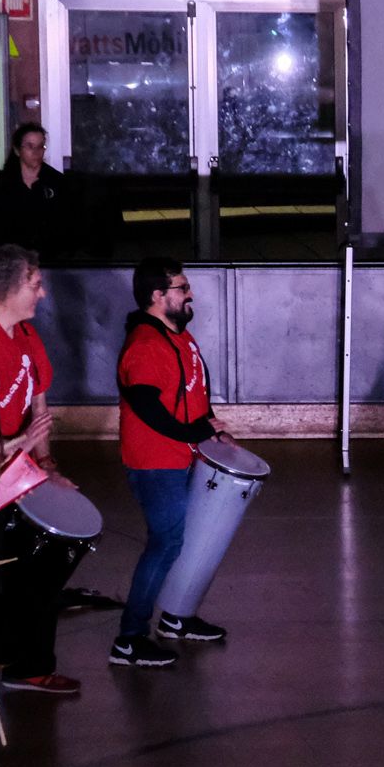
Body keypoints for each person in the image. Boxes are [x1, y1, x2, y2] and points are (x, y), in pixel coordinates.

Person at [0, 245, 81, 695]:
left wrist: (45, 463)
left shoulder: (26, 335)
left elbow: (39, 401)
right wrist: (12, 447)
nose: (43, 293)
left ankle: (28, 663)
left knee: (42, 565)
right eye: (35, 284)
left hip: (18, 475)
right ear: (8, 287)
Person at [111, 258, 229, 668]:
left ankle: (176, 619)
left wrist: (209, 429)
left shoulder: (179, 336)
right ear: (157, 296)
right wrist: (192, 434)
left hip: (181, 456)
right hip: (155, 462)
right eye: (182, 287)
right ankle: (129, 639)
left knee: (181, 541)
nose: (190, 293)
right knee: (165, 544)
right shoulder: (146, 345)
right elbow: (146, 406)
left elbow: (194, 391)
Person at [0, 122, 76, 258]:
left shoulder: (57, 183)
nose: (36, 152)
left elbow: (69, 226)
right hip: (8, 261)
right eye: (30, 146)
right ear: (17, 150)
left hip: (49, 262)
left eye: (40, 146)